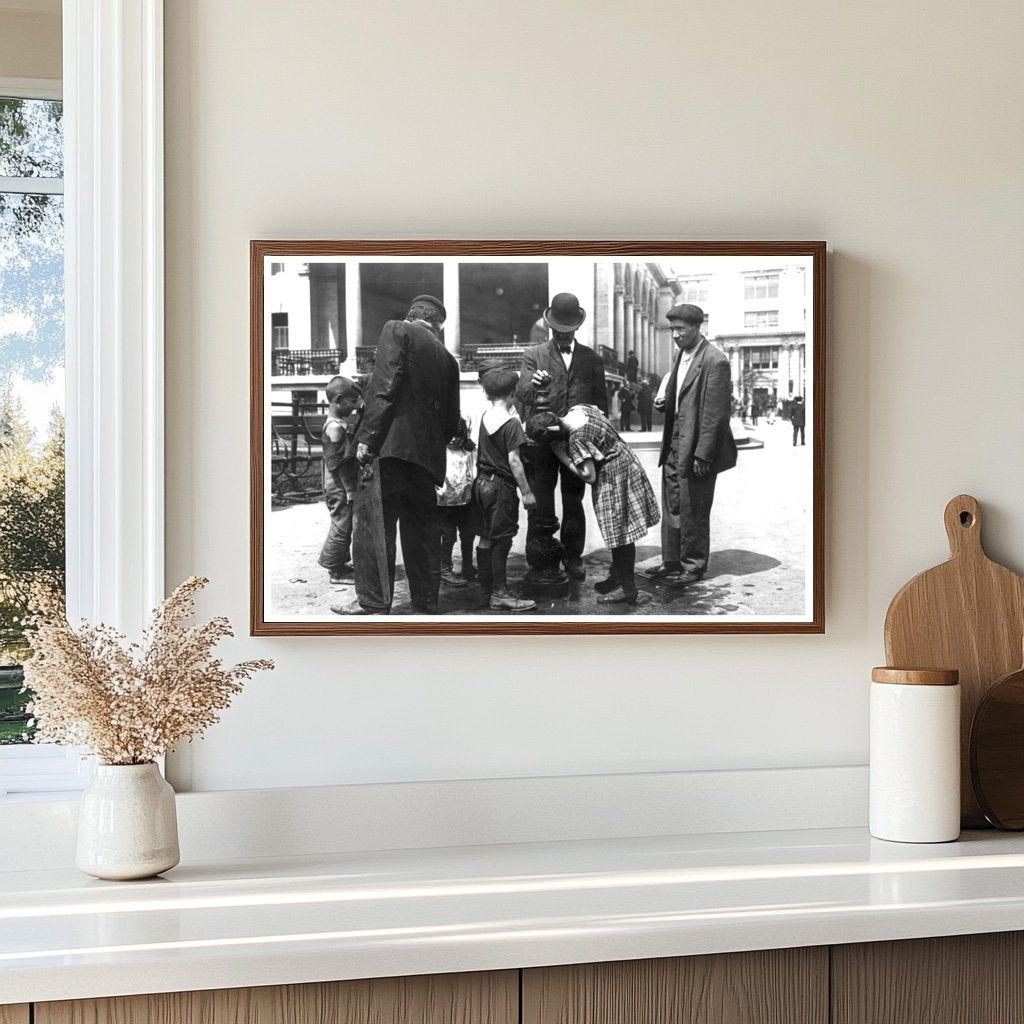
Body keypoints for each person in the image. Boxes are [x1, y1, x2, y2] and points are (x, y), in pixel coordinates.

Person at [335, 294, 460, 615]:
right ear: (437, 326)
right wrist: (429, 448)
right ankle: (426, 600)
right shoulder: (448, 358)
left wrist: (368, 439)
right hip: (425, 458)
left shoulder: (397, 330)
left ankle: (374, 601)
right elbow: (450, 421)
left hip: (387, 450)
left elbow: (384, 387)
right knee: (422, 531)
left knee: (375, 526)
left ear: (412, 315)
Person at [525, 404, 659, 606]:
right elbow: (600, 411)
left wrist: (562, 455)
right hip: (627, 463)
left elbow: (589, 475)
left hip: (614, 476)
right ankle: (618, 576)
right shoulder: (581, 410)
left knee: (620, 534)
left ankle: (628, 589)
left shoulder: (578, 438)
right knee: (619, 533)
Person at [515, 292, 607, 582]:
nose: (564, 336)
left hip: (576, 441)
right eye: (558, 331)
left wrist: (595, 436)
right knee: (541, 500)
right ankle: (540, 558)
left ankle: (572, 557)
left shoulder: (591, 358)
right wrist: (534, 383)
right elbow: (521, 394)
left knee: (573, 500)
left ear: (577, 327)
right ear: (550, 327)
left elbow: (600, 403)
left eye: (568, 331)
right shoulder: (534, 354)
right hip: (541, 443)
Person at [652, 303, 737, 585]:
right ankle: (672, 561)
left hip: (697, 448)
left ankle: (693, 565)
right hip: (675, 443)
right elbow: (682, 396)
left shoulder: (716, 361)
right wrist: (666, 402)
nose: (675, 335)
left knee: (694, 508)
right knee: (673, 505)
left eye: (681, 329)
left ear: (697, 328)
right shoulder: (682, 355)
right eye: (672, 330)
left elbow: (716, 414)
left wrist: (704, 454)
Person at [474, 367, 537, 612]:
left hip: (481, 484)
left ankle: (485, 590)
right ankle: (500, 594)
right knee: (502, 540)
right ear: (512, 393)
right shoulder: (511, 423)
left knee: (485, 537)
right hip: (500, 487)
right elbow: (514, 461)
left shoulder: (485, 417)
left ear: (487, 394)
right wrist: (527, 492)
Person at [317, 376, 362, 584]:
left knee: (344, 523)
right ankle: (335, 570)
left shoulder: (337, 424)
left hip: (340, 485)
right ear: (339, 399)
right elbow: (338, 464)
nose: (354, 406)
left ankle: (340, 563)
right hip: (339, 486)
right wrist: (349, 490)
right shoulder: (334, 427)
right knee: (341, 525)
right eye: (352, 402)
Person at [437, 416, 477, 587]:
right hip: (445, 503)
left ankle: (467, 566)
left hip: (465, 501)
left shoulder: (469, 451)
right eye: (451, 436)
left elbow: (473, 470)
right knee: (448, 536)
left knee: (468, 534)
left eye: (459, 436)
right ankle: (445, 569)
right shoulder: (439, 452)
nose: (454, 440)